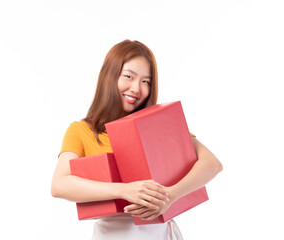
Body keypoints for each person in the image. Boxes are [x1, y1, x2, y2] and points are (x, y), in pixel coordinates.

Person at [51, 40, 223, 239]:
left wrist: (171, 195)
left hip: (160, 232)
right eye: (129, 77)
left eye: (145, 81)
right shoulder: (82, 130)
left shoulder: (159, 124)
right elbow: (59, 185)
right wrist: (126, 190)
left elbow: (212, 163)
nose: (136, 88)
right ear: (110, 75)